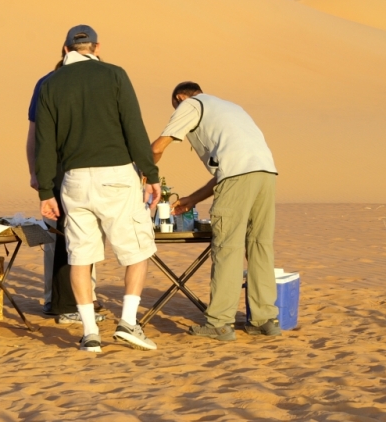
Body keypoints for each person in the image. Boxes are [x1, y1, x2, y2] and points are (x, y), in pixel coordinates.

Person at [35, 24, 161, 353]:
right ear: (97, 47)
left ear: (65, 50)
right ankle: (129, 323)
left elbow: (45, 143)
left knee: (81, 257)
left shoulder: (50, 84)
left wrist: (45, 191)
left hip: (74, 180)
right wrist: (151, 172)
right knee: (138, 251)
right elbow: (134, 125)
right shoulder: (115, 74)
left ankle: (90, 333)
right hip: (117, 174)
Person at [151, 81, 280, 341]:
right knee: (259, 245)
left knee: (227, 247)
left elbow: (157, 147)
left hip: (239, 177)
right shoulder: (231, 108)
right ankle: (264, 319)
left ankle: (219, 322)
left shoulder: (190, 105)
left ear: (179, 98)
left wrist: (144, 175)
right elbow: (230, 170)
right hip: (266, 174)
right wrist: (192, 199)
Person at [26, 50, 105, 325]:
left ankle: (78, 299)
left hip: (77, 168)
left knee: (81, 234)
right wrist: (37, 174)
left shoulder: (69, 82)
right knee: (65, 236)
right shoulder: (51, 83)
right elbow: (35, 135)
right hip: (64, 167)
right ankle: (63, 304)